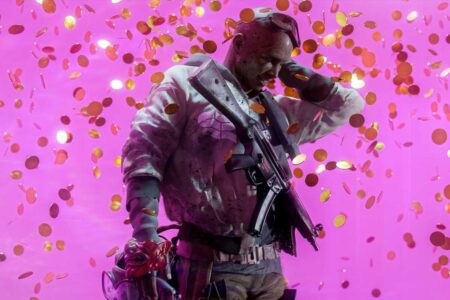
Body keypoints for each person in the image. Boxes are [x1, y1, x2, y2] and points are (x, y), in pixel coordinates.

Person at [107, 7, 364, 300]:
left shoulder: (273, 110)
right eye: (267, 58)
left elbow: (349, 106)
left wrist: (297, 74)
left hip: (268, 270)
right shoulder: (185, 85)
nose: (274, 73)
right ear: (239, 44)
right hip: (211, 268)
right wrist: (146, 238)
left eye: (281, 63)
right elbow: (144, 157)